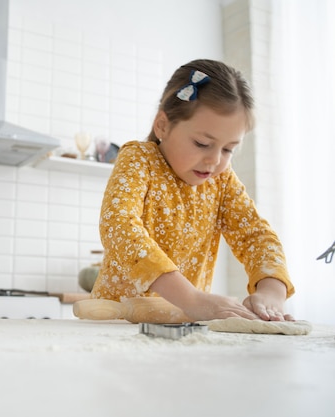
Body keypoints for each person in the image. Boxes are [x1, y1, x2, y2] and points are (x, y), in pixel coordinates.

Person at [91, 59, 295, 322]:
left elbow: (256, 236)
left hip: (182, 327)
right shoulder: (139, 159)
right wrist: (191, 298)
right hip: (116, 323)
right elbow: (119, 226)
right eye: (202, 143)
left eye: (228, 149)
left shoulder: (221, 182)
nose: (215, 160)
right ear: (162, 124)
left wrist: (271, 292)